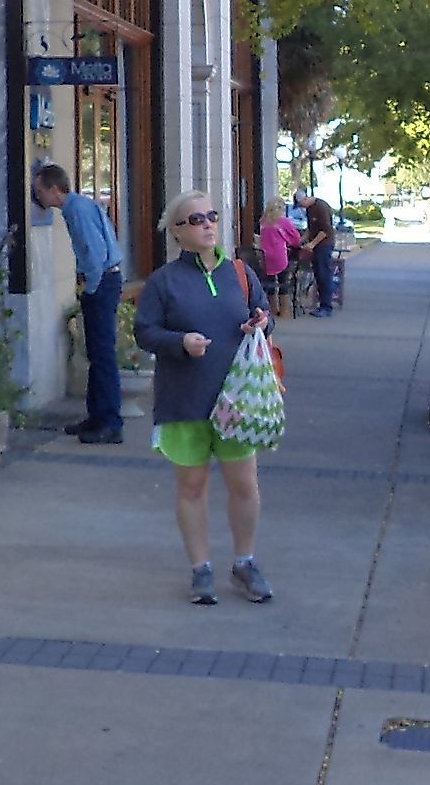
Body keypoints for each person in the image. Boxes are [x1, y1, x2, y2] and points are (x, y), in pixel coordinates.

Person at [134, 189, 276, 605]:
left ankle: (244, 562)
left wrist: (261, 324)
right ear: (177, 232)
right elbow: (145, 332)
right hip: (184, 399)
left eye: (211, 216)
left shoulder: (239, 272)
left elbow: (264, 316)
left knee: (245, 485)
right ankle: (201, 569)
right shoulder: (164, 281)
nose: (208, 224)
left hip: (236, 398)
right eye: (196, 220)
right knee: (192, 487)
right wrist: (180, 342)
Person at [34, 163, 125, 444]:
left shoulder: (76, 211)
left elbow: (96, 254)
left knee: (102, 354)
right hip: (106, 279)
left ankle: (109, 422)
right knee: (97, 353)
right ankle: (97, 416)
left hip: (102, 282)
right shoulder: (81, 206)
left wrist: (89, 290)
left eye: (40, 192)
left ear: (53, 189)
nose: (38, 198)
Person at [296, 186, 337, 317]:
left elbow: (325, 230)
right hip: (316, 244)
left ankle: (326, 306)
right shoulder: (309, 209)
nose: (301, 207)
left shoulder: (321, 208)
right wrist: (302, 240)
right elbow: (311, 228)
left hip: (324, 244)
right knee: (318, 274)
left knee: (324, 273)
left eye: (301, 203)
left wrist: (312, 244)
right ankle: (321, 304)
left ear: (306, 198)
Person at [254, 200, 300, 303]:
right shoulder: (284, 221)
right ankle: (284, 310)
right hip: (280, 255)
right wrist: (290, 241)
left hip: (266, 256)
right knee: (283, 282)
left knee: (270, 283)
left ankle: (273, 308)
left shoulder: (263, 221)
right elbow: (296, 237)